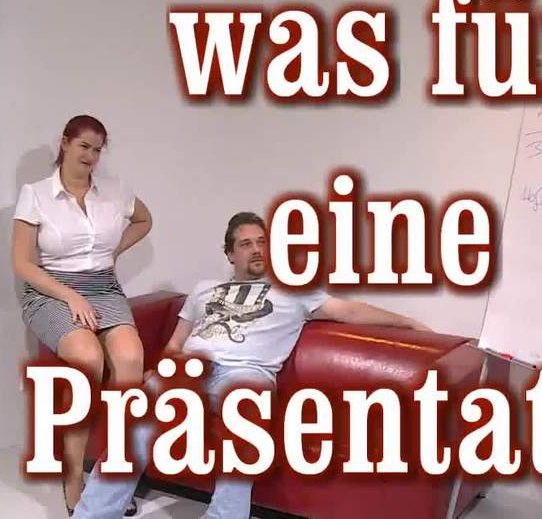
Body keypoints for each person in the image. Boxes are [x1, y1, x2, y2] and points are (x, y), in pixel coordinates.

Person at [72, 211, 429, 519]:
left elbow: (349, 310)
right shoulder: (205, 289)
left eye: (262, 242)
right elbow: (176, 344)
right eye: (245, 244)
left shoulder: (295, 290)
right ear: (230, 254)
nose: (257, 249)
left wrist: (408, 323)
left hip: (246, 375)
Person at [12, 115, 152, 516]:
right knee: (88, 359)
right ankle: (73, 475)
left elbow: (145, 220)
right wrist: (70, 296)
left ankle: (112, 480)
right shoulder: (35, 194)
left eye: (97, 149)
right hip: (50, 290)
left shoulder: (116, 191)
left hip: (103, 287)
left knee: (130, 359)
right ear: (65, 143)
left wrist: (112, 252)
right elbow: (22, 263)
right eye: (84, 146)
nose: (90, 155)